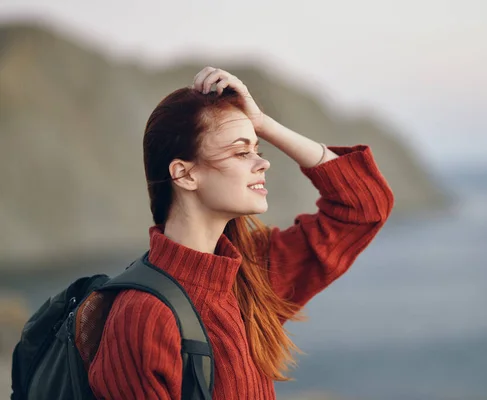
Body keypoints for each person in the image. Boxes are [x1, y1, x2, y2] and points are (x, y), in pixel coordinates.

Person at [87, 67, 395, 399]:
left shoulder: (250, 273)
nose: (263, 163)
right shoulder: (142, 316)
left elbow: (364, 206)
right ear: (185, 174)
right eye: (240, 151)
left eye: (257, 149)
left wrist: (263, 123)